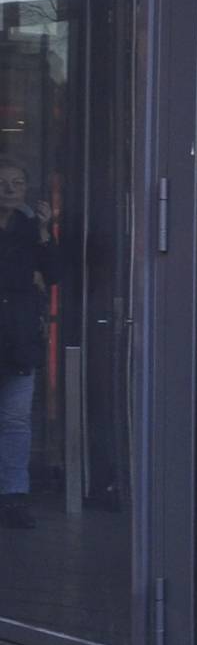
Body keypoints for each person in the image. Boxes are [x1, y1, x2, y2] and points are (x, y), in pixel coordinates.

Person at [0, 156, 52, 529]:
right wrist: (26, 276)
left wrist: (47, 232)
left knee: (16, 421)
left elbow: (54, 273)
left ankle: (13, 496)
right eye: (3, 183)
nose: (9, 190)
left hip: (18, 337)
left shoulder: (32, 227)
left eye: (17, 183)